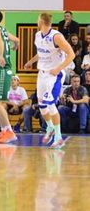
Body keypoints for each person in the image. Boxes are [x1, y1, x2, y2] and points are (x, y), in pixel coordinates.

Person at [24, 12, 76, 149]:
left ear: (41, 22)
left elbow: (71, 54)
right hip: (42, 73)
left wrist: (58, 69)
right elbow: (41, 53)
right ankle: (50, 127)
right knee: (41, 104)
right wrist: (31, 61)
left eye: (38, 20)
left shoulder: (56, 36)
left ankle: (58, 137)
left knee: (50, 104)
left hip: (54, 75)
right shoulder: (38, 35)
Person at [0, 10, 20, 144]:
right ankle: (4, 131)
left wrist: (0, 56)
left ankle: (9, 132)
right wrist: (15, 46)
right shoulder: (4, 30)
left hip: (1, 68)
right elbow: (17, 40)